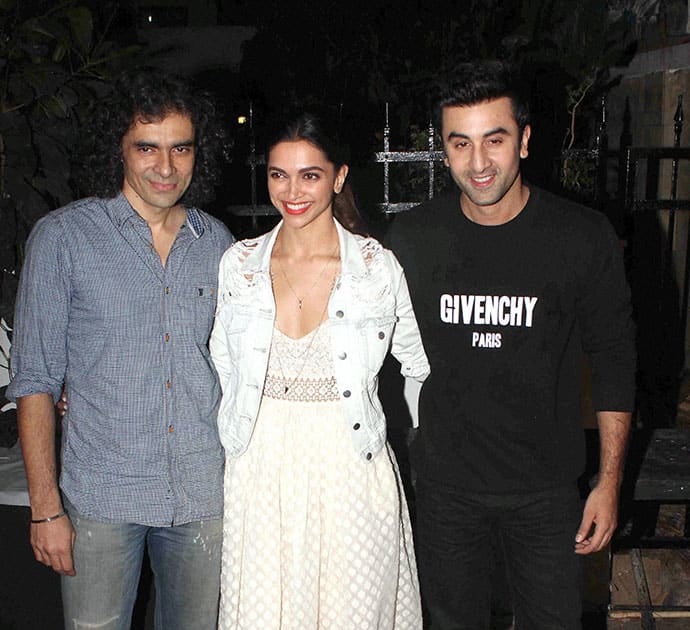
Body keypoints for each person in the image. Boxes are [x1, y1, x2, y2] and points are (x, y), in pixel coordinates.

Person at [385, 60, 636, 629]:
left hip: (547, 492)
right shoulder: (412, 239)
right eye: (460, 143)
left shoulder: (581, 236)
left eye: (494, 140)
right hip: (447, 491)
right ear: (443, 149)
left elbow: (615, 358)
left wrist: (610, 482)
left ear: (524, 140)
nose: (477, 163)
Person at [7, 69, 233, 630]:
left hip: (203, 495)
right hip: (101, 498)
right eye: (147, 147)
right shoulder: (63, 239)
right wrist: (45, 508)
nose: (165, 166)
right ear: (119, 150)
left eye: (181, 148)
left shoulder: (220, 244)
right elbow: (34, 379)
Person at [209, 113, 429, 629]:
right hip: (261, 469)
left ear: (339, 176)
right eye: (278, 174)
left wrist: (422, 449)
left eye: (310, 174)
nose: (292, 190)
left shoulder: (376, 268)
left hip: (350, 467)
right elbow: (223, 362)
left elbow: (420, 367)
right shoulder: (238, 265)